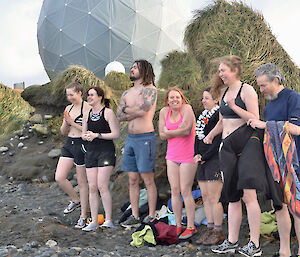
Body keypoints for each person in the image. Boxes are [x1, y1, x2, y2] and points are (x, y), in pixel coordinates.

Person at [204, 55, 263, 256]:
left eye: (223, 70)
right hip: (226, 147)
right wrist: (211, 135)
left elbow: (255, 119)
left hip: (245, 146)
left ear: (235, 70)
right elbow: (222, 121)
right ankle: (231, 241)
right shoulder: (223, 92)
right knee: (232, 196)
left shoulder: (247, 90)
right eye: (219, 71)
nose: (220, 74)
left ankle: (254, 244)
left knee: (249, 195)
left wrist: (236, 106)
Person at [248, 63, 300, 257]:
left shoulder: (293, 98)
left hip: (295, 164)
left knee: (297, 208)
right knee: (279, 207)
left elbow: (296, 129)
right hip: (275, 166)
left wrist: (264, 125)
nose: (261, 90)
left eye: (263, 85)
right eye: (259, 87)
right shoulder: (269, 105)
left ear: (276, 80)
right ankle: (284, 251)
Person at [117, 60, 158, 228]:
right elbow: (119, 115)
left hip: (145, 138)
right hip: (130, 139)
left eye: (135, 67)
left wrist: (128, 110)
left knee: (147, 179)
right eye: (132, 67)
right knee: (132, 179)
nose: (132, 69)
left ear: (144, 70)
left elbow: (144, 110)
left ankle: (151, 215)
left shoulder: (150, 90)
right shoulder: (127, 93)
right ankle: (134, 215)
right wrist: (132, 112)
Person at [158, 87, 197, 239]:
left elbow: (187, 130)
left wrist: (169, 132)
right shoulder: (163, 112)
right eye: (171, 98)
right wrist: (172, 132)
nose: (174, 100)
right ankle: (178, 225)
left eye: (177, 97)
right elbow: (161, 135)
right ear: (167, 100)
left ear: (182, 99)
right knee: (174, 190)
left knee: (185, 190)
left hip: (188, 156)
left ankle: (191, 226)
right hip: (172, 156)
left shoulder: (187, 109)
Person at [81, 87, 119, 231]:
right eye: (88, 95)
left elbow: (115, 134)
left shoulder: (108, 112)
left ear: (100, 97)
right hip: (91, 152)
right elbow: (83, 134)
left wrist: (97, 135)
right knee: (92, 187)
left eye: (92, 95)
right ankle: (94, 221)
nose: (89, 97)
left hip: (106, 152)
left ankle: (108, 219)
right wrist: (87, 136)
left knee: (102, 185)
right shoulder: (86, 114)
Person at [55, 78, 90, 229]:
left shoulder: (87, 107)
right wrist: (65, 122)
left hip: (82, 145)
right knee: (59, 177)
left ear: (79, 93)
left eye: (71, 95)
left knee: (82, 181)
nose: (69, 98)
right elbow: (63, 131)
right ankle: (76, 200)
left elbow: (88, 130)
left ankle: (84, 216)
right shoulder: (68, 108)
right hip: (69, 143)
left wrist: (73, 122)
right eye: (67, 95)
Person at [194, 87, 224, 245]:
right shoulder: (203, 116)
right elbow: (197, 138)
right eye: (203, 98)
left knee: (214, 197)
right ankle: (210, 228)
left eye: (206, 98)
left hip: (214, 160)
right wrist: (196, 154)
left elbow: (218, 139)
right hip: (202, 160)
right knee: (205, 197)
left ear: (216, 100)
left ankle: (218, 231)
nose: (203, 101)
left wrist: (204, 156)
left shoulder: (218, 116)